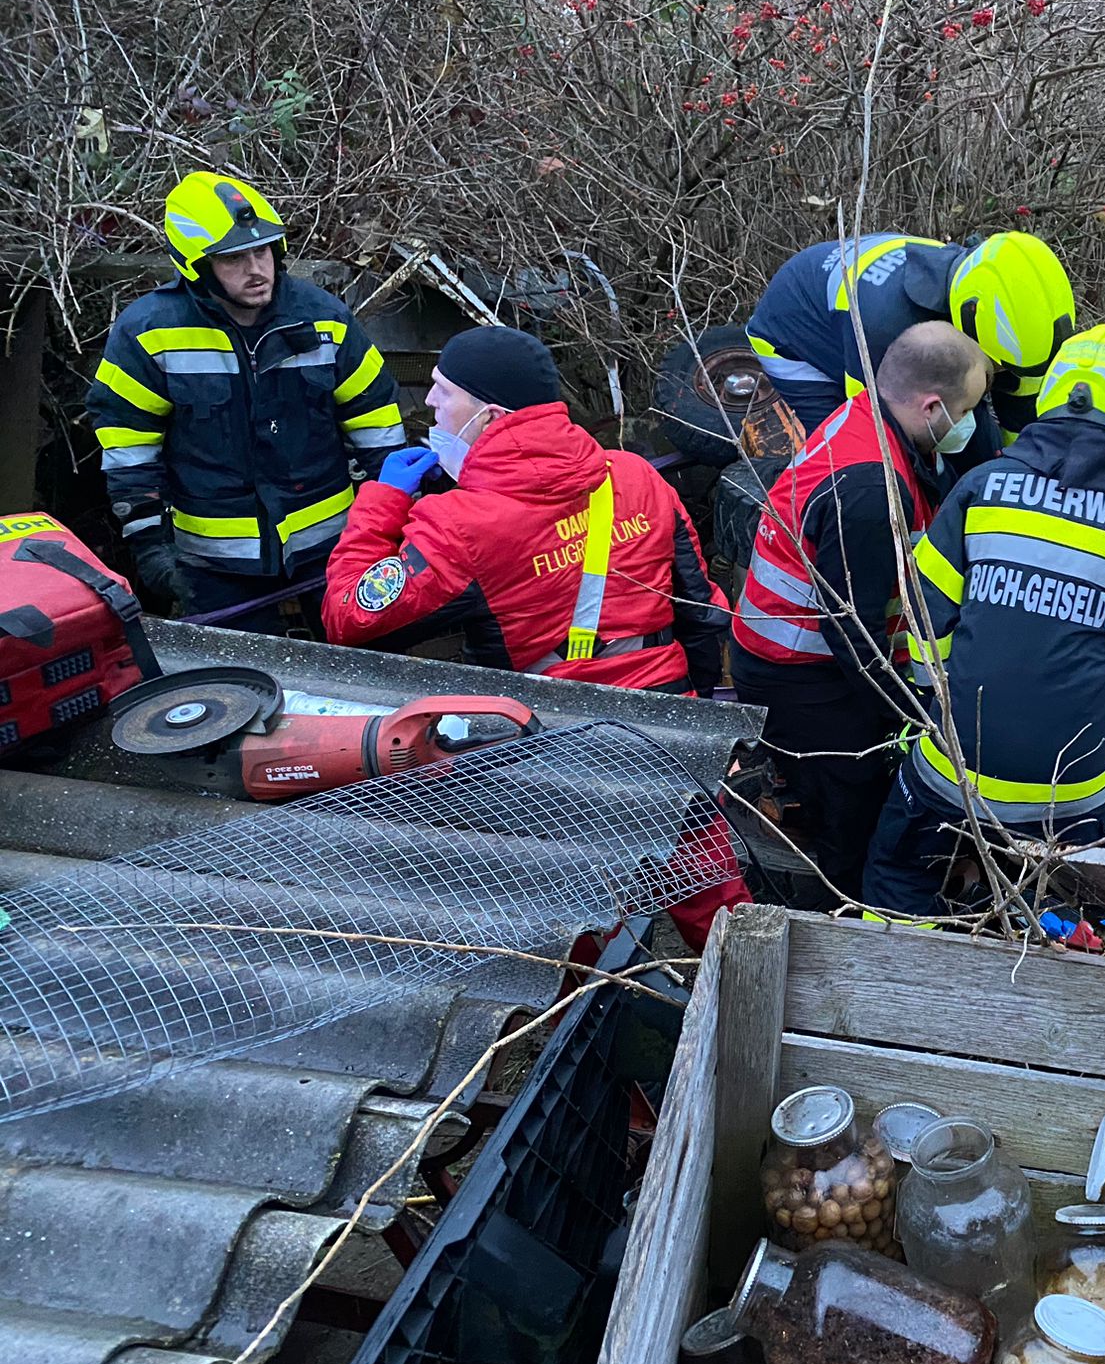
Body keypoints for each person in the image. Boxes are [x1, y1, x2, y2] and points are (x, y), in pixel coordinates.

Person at [864, 325, 1105, 915]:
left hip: (956, 770)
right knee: (1086, 908)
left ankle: (896, 985)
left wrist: (943, 692)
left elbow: (923, 607)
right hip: (1074, 792)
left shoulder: (980, 488)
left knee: (897, 877)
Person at [727, 322, 990, 901]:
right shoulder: (872, 488)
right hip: (803, 673)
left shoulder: (867, 416)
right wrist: (918, 719)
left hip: (801, 656)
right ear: (932, 406)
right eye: (966, 410)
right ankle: (843, 914)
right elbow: (855, 634)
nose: (969, 425)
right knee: (852, 814)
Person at [320, 325, 728, 696]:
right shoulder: (635, 475)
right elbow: (701, 611)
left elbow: (348, 620)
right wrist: (698, 712)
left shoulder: (458, 525)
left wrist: (383, 501)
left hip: (539, 735)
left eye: (443, 391)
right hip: (668, 710)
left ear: (490, 417)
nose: (429, 401)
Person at [86, 171, 405, 632]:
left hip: (334, 553)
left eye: (263, 251)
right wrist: (151, 547)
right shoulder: (150, 334)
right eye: (233, 258)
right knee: (239, 694)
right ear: (197, 266)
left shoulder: (325, 320)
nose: (256, 269)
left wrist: (390, 521)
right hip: (215, 569)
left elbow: (378, 427)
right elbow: (128, 446)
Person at [744, 230, 1074, 440]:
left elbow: (1019, 405)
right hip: (794, 336)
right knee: (847, 450)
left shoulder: (992, 298)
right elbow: (877, 429)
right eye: (997, 366)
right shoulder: (883, 329)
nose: (997, 375)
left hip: (849, 298)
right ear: (968, 322)